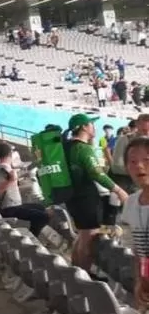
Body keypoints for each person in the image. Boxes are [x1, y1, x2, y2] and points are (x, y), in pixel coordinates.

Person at [65, 113, 129, 270]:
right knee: (89, 238)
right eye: (91, 124)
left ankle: (75, 272)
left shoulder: (68, 147)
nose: (94, 127)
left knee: (81, 236)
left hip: (73, 198)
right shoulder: (83, 149)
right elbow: (96, 173)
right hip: (85, 199)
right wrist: (118, 190)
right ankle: (83, 277)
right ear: (84, 127)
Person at [0, 143, 51, 237]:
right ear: (10, 154)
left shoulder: (0, 168)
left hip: (13, 206)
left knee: (40, 208)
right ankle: (32, 239)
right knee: (42, 217)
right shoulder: (2, 170)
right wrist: (12, 179)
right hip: (8, 208)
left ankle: (33, 236)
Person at [120, 137, 149, 309]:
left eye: (147, 160)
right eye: (132, 161)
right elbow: (137, 251)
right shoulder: (130, 204)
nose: (139, 165)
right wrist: (140, 280)